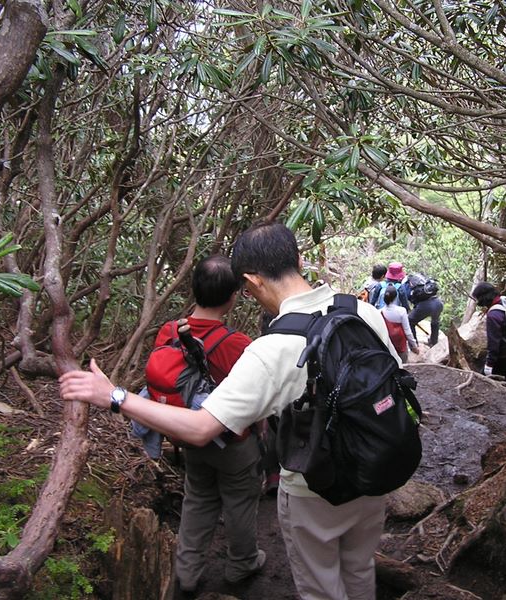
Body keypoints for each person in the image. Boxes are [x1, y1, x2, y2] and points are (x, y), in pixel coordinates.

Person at [59, 223, 401, 600]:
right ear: (299, 260)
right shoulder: (362, 312)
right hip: (374, 465)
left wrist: (115, 396)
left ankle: (190, 573)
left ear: (251, 281)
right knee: (359, 567)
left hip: (313, 488)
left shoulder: (271, 349)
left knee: (322, 586)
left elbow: (201, 427)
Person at [154, 255, 265, 595]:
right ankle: (242, 563)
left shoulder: (170, 331)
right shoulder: (237, 344)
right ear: (233, 296)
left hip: (188, 435)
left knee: (198, 497)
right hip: (233, 441)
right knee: (239, 500)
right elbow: (255, 400)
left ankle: (186, 572)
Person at [471, 281, 506, 383]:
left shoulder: (493, 315)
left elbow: (493, 344)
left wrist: (489, 365)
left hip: (504, 354)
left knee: (485, 380)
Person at [380, 285, 419, 363]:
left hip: (387, 343)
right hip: (400, 343)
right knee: (402, 364)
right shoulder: (401, 311)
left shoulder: (379, 312)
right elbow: (407, 331)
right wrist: (414, 345)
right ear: (396, 297)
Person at [407, 273, 444, 348]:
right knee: (435, 321)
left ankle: (414, 345)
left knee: (410, 321)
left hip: (425, 306)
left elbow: (411, 299)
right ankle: (433, 342)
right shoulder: (426, 282)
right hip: (438, 303)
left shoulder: (408, 285)